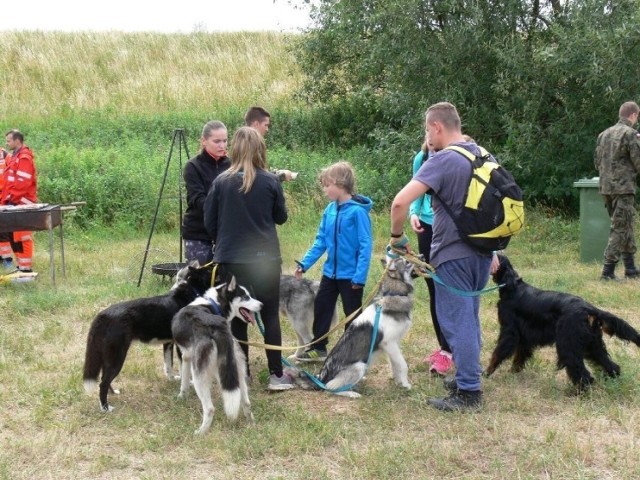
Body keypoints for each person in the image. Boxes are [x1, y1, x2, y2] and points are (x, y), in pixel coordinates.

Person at [390, 102, 492, 412]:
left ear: (437, 127)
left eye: (426, 130)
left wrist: (397, 238)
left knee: (456, 320)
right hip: (482, 251)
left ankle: (469, 393)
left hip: (453, 253)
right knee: (469, 317)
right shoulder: (483, 154)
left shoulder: (444, 159)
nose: (427, 136)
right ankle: (466, 377)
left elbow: (399, 203)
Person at [203, 126, 294, 391]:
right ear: (260, 150)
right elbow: (281, 217)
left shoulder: (221, 182)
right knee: (270, 316)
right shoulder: (270, 181)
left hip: (231, 259)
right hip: (264, 259)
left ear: (234, 149)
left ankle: (243, 374)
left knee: (236, 316)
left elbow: (209, 222)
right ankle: (277, 375)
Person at [294, 161, 373, 361]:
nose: (324, 189)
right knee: (322, 306)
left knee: (352, 315)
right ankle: (319, 348)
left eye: (327, 185)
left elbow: (366, 246)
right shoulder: (329, 210)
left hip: (351, 276)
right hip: (330, 273)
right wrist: (304, 263)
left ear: (341, 184)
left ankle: (353, 352)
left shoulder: (358, 212)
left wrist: (360, 276)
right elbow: (321, 241)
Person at [409, 134, 454, 375]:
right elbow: (415, 189)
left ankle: (454, 348)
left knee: (452, 287)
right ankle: (444, 349)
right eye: (425, 132)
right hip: (426, 226)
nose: (428, 136)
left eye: (431, 131)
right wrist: (414, 213)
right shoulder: (422, 157)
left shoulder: (457, 156)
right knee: (434, 288)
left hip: (450, 227)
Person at [594, 101, 640, 280]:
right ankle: (607, 271)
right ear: (633, 115)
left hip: (606, 188)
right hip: (623, 188)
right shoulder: (631, 134)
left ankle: (630, 267)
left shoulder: (603, 135)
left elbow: (596, 162)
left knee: (625, 225)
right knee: (619, 229)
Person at [181, 120, 230, 265]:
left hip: (225, 234)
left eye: (225, 141)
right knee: (199, 283)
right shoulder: (193, 166)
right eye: (217, 141)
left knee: (225, 285)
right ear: (204, 141)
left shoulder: (232, 165)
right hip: (198, 233)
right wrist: (227, 205)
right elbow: (198, 200)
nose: (222, 145)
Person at [0, 130, 38, 275]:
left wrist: (12, 199)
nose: (7, 143)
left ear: (17, 141)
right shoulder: (15, 157)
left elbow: (23, 183)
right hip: (13, 202)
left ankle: (26, 268)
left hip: (22, 203)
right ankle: (21, 267)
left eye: (9, 140)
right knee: (14, 236)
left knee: (22, 236)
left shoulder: (24, 158)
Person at [244, 106, 296, 182]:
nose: (267, 129)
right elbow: (256, 178)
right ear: (256, 124)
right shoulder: (252, 145)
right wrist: (281, 176)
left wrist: (274, 173)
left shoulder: (239, 143)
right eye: (266, 125)